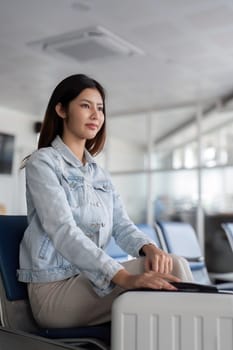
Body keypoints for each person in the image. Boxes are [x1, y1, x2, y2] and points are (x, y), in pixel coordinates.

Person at [18, 74, 193, 328]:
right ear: (61, 109)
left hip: (88, 280)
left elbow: (122, 225)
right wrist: (121, 276)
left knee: (171, 265)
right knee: (174, 270)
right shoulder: (43, 163)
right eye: (85, 105)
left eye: (100, 108)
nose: (95, 115)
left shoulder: (97, 173)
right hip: (53, 292)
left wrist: (149, 248)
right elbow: (63, 230)